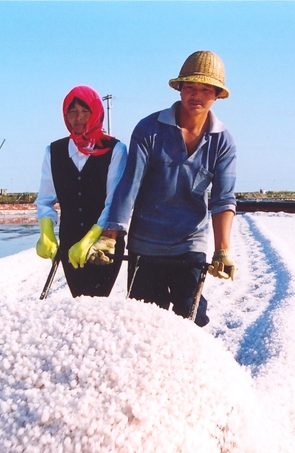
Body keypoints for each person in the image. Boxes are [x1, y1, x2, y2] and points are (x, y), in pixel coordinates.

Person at [90, 50, 238, 326]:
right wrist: (109, 236)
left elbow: (223, 200)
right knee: (144, 322)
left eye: (206, 89)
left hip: (189, 244)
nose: (196, 95)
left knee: (192, 319)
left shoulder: (223, 142)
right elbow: (129, 185)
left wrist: (222, 250)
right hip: (146, 245)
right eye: (190, 87)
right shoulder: (149, 129)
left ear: (217, 95)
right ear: (179, 89)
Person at [34, 85, 128, 298]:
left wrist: (90, 240)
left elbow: (114, 202)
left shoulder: (116, 150)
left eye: (85, 111)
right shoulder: (54, 151)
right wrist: (46, 232)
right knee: (79, 301)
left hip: (104, 242)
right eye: (72, 111)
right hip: (69, 241)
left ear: (96, 113)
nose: (79, 118)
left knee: (99, 301)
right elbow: (45, 200)